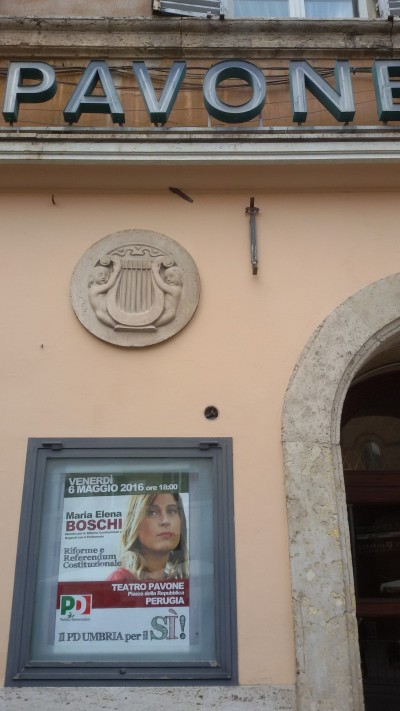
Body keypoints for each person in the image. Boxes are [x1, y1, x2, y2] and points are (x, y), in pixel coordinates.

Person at [108, 492, 188, 582]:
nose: (165, 521)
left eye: (171, 511)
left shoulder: (180, 580)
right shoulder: (121, 579)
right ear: (135, 523)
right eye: (152, 513)